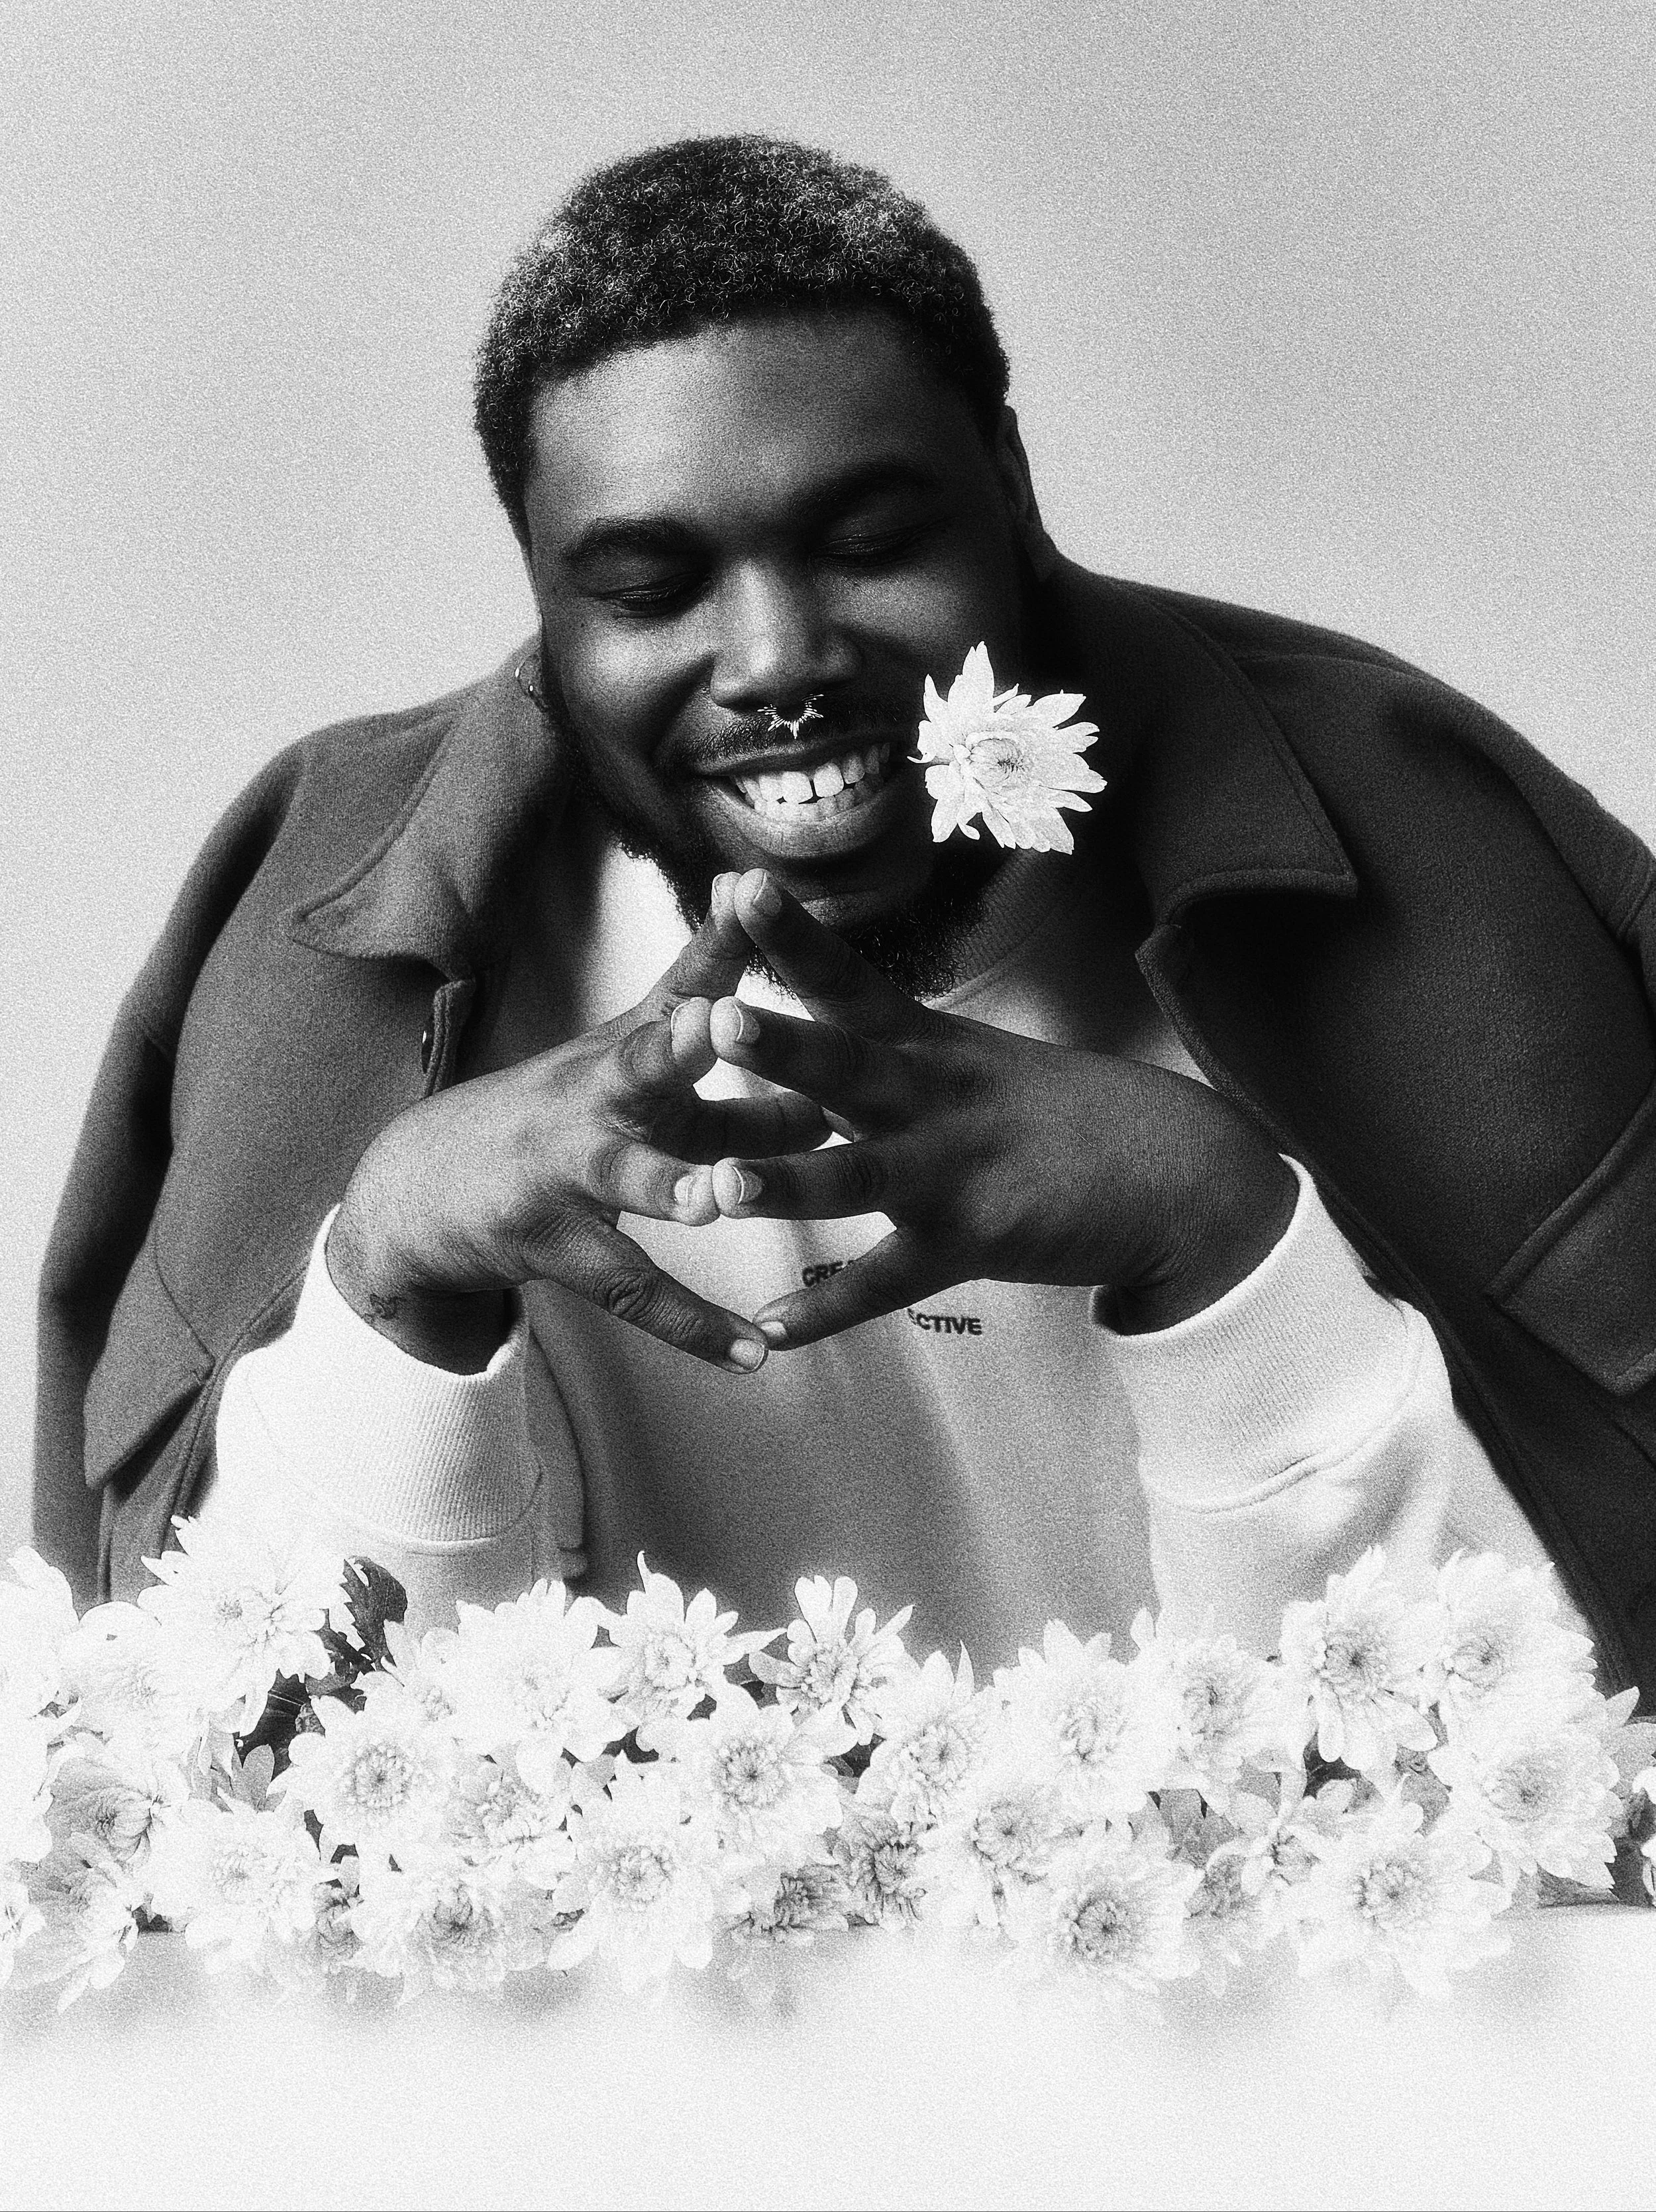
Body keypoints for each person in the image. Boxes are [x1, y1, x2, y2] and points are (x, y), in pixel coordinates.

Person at [34, 136, 1656, 1695]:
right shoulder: (322, 917)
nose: (777, 658)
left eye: (873, 543)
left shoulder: (1414, 836)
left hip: (1278, 1968)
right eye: (647, 589)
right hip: (630, 1978)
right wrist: (388, 1277)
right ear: (539, 593)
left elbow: (1570, 1758)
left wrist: (1222, 1242)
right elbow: (237, 1799)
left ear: (1011, 492)